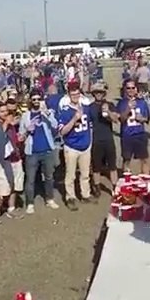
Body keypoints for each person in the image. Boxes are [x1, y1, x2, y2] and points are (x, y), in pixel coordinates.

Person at [20, 90, 62, 214]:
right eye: (34, 99)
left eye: (39, 99)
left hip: (47, 150)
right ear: (30, 101)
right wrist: (27, 130)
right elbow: (21, 135)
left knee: (49, 177)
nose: (36, 101)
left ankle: (49, 199)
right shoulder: (25, 116)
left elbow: (55, 126)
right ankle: (30, 203)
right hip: (32, 152)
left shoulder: (47, 113)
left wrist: (47, 114)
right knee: (30, 179)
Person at [57, 79, 95, 208]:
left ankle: (85, 195)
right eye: (73, 94)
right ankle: (70, 197)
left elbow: (91, 124)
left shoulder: (86, 108)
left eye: (77, 94)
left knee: (85, 174)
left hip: (85, 145)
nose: (75, 96)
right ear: (69, 95)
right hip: (71, 146)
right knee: (70, 175)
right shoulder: (65, 111)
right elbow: (62, 132)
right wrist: (74, 119)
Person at [87, 83, 119, 195]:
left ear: (104, 93)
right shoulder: (90, 107)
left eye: (100, 92)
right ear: (93, 94)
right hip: (96, 140)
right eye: (96, 92)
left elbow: (116, 119)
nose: (98, 94)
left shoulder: (110, 105)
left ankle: (115, 187)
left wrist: (108, 111)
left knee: (112, 166)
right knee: (96, 167)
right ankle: (97, 187)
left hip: (108, 139)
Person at [117, 80, 150, 175]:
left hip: (140, 134)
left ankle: (146, 179)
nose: (131, 90)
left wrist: (141, 118)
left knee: (144, 159)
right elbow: (121, 119)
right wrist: (128, 108)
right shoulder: (121, 103)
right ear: (125, 89)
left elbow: (147, 119)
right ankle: (126, 179)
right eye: (128, 88)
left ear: (136, 89)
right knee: (127, 160)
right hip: (127, 135)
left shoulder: (142, 102)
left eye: (133, 88)